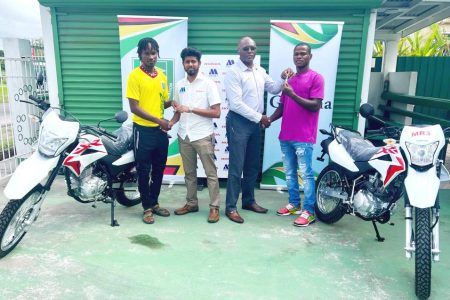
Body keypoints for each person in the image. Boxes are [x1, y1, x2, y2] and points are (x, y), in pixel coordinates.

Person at [224, 36, 287, 224]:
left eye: (253, 48)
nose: (250, 51)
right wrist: (261, 117)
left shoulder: (259, 70)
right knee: (237, 166)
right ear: (238, 50)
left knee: (251, 165)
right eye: (246, 48)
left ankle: (249, 201)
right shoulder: (233, 72)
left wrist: (284, 78)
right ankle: (231, 207)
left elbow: (275, 88)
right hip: (238, 122)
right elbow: (235, 104)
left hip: (254, 124)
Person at [269, 42, 324, 227]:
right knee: (291, 173)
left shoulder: (316, 78)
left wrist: (292, 95)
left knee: (307, 174)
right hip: (286, 136)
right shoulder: (289, 80)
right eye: (296, 54)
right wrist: (268, 120)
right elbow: (282, 108)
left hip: (304, 137)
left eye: (303, 54)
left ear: (310, 56)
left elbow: (315, 105)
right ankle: (294, 203)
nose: (299, 57)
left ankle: (309, 211)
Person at [169, 47, 222, 223]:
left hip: (203, 135)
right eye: (187, 61)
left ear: (199, 63)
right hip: (184, 135)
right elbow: (178, 111)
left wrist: (190, 108)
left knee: (211, 174)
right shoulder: (179, 85)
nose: (190, 64)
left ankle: (214, 207)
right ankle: (191, 203)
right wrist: (169, 124)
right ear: (183, 64)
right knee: (189, 174)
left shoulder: (209, 84)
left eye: (193, 61)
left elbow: (216, 113)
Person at [126, 37, 173, 224]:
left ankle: (154, 203)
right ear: (140, 55)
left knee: (159, 170)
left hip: (160, 133)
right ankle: (146, 208)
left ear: (157, 54)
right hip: (143, 131)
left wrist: (175, 103)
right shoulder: (135, 76)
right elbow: (134, 107)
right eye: (146, 53)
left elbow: (162, 103)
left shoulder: (162, 75)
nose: (151, 57)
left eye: (154, 53)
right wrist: (157, 120)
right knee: (144, 171)